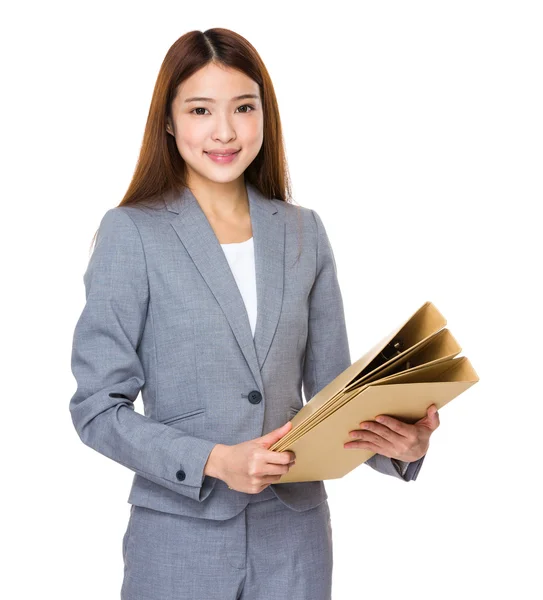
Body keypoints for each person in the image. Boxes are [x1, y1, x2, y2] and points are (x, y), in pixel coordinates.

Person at [69, 27, 439, 600]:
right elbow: (97, 408)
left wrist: (400, 448)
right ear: (168, 122)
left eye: (244, 107)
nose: (225, 131)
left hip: (295, 541)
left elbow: (335, 395)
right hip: (179, 542)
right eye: (200, 110)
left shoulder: (302, 233)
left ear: (265, 115)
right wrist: (214, 460)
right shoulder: (132, 234)